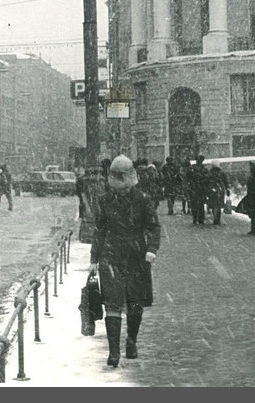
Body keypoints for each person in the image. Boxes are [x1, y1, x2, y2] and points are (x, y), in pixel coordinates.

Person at [89, 155, 160, 367]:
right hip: (110, 255)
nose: (122, 191)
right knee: (112, 302)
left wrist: (151, 249)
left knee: (135, 304)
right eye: (119, 188)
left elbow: (154, 226)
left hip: (136, 256)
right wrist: (94, 258)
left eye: (125, 187)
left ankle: (131, 341)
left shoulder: (143, 199)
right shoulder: (105, 200)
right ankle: (113, 351)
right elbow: (99, 230)